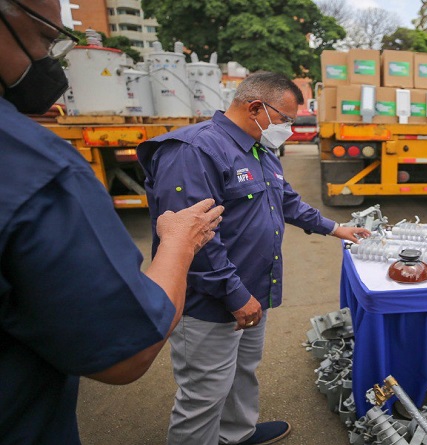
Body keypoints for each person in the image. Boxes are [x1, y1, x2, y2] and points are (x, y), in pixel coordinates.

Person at [0, 0, 225, 444]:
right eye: (46, 37)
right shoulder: (30, 165)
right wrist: (179, 243)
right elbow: (128, 349)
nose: (50, 58)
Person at [137, 72, 370, 445]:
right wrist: (234, 295)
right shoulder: (193, 151)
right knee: (204, 394)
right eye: (285, 119)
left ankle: (236, 434)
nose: (290, 129)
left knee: (242, 370)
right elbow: (194, 241)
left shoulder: (259, 147)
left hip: (253, 291)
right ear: (256, 107)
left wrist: (334, 228)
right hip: (210, 302)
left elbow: (286, 201)